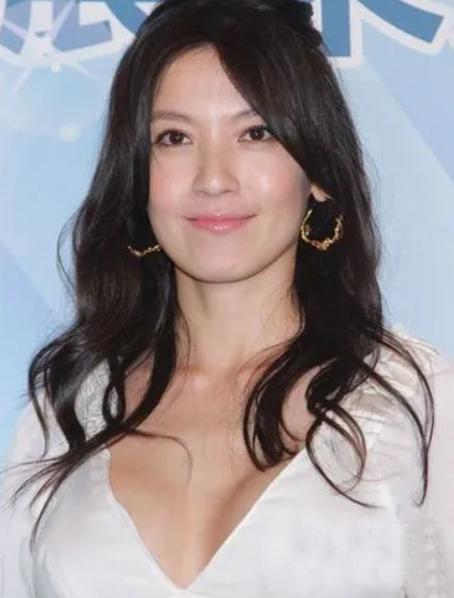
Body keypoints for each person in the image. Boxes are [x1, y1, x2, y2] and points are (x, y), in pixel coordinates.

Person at [1, 0, 453, 596]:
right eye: (175, 138)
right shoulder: (66, 412)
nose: (214, 178)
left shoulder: (418, 405)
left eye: (255, 133)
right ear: (137, 178)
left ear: (318, 173)